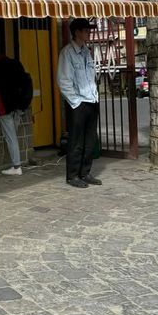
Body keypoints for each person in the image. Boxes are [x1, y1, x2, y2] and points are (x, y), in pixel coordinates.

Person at [57, 18, 102, 188]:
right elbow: (63, 80)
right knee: (76, 141)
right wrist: (76, 102)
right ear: (76, 32)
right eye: (85, 30)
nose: (89, 33)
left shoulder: (86, 52)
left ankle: (85, 172)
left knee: (90, 140)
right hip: (78, 103)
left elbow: (91, 77)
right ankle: (73, 175)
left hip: (91, 100)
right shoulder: (67, 53)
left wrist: (95, 96)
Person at [0, 45, 27, 176]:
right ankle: (16, 164)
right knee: (13, 135)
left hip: (4, 107)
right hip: (18, 106)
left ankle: (16, 166)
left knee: (11, 137)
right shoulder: (16, 63)